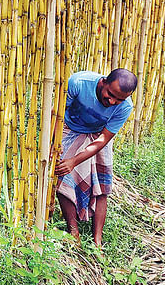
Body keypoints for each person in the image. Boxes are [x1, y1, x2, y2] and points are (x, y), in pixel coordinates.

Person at [54, 68, 137, 247]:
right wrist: (58, 144)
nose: (112, 101)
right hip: (69, 128)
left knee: (102, 184)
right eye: (110, 94)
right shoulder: (78, 83)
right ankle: (73, 231)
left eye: (119, 99)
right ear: (103, 82)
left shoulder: (125, 107)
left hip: (98, 135)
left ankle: (97, 239)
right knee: (63, 174)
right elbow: (57, 114)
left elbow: (104, 139)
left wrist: (75, 161)